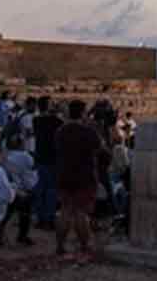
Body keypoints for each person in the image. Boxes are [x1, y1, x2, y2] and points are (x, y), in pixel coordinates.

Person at [54, 100, 101, 259]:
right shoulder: (88, 131)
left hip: (64, 174)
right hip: (84, 176)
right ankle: (84, 246)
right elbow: (100, 149)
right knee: (81, 212)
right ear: (83, 113)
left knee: (65, 210)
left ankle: (60, 245)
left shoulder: (60, 131)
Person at [0, 132, 37, 246]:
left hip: (12, 188)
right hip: (23, 189)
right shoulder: (25, 156)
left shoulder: (6, 156)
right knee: (24, 210)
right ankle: (22, 236)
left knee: (11, 209)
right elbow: (32, 168)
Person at [31, 96, 62, 229]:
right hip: (52, 158)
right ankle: (49, 218)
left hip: (39, 157)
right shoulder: (56, 121)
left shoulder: (36, 120)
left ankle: (40, 218)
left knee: (41, 189)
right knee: (51, 190)